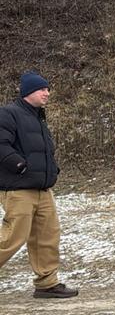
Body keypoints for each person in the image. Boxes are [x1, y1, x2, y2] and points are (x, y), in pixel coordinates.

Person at [0, 71, 77, 299]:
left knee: (47, 237)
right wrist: (19, 165)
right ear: (28, 92)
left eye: (47, 89)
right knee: (12, 238)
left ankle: (47, 283)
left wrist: (53, 169)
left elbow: (42, 151)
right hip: (18, 188)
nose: (47, 93)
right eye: (42, 89)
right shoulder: (8, 114)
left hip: (43, 188)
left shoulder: (38, 117)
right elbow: (1, 145)